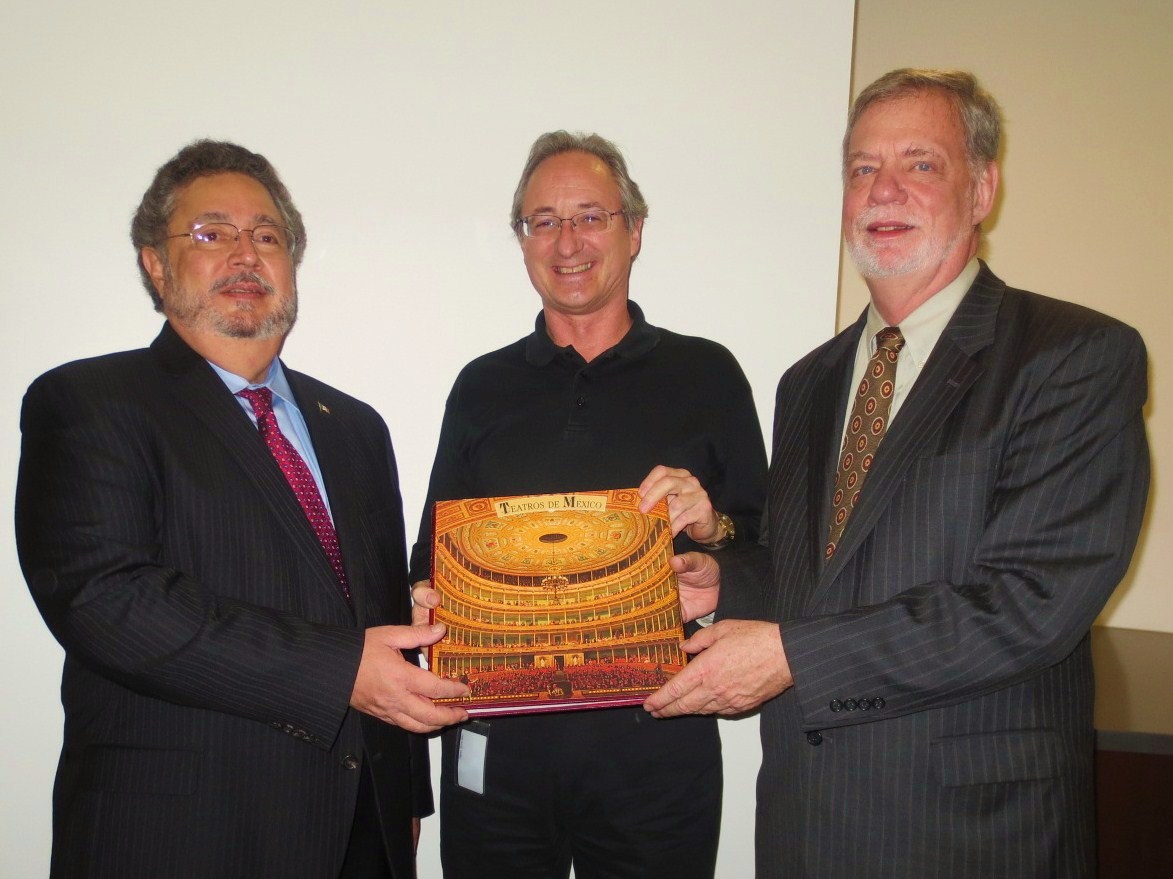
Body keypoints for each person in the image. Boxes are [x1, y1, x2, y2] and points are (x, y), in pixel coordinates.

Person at [645, 69, 1150, 878]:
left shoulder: (1072, 355)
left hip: (972, 833)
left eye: (919, 163)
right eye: (861, 168)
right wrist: (722, 584)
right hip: (804, 823)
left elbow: (1032, 601)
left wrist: (795, 657)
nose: (883, 190)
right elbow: (814, 570)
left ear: (980, 189)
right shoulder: (808, 381)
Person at [14, 140, 469, 879]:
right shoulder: (89, 401)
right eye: (211, 233)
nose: (246, 254)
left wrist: (405, 801)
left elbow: (381, 615)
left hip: (363, 834)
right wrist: (339, 671)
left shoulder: (356, 427)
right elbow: (106, 600)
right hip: (182, 835)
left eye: (267, 235)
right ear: (155, 264)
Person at [408, 131, 768, 879]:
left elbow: (766, 550)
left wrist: (713, 532)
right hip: (497, 753)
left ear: (633, 231)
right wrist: (428, 597)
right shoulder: (481, 386)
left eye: (590, 217)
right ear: (522, 241)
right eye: (543, 221)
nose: (566, 242)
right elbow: (429, 553)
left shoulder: (707, 373)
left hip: (656, 749)